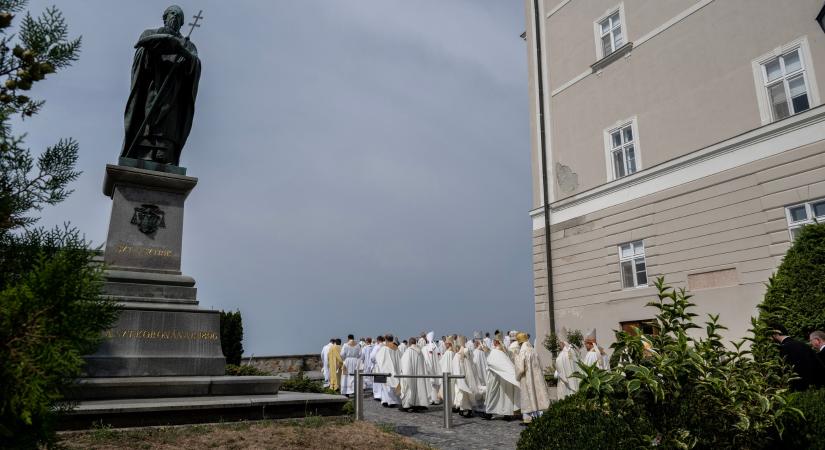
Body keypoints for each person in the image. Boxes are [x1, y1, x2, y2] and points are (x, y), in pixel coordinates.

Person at [121, 5, 201, 166]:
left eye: (178, 17)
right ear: (164, 17)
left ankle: (164, 154)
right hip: (152, 88)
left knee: (169, 125)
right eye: (172, 14)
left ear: (181, 23)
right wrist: (157, 49)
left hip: (173, 96)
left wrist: (183, 53)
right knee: (147, 119)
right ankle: (144, 153)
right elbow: (141, 55)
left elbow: (195, 66)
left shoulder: (188, 45)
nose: (174, 18)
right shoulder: (150, 34)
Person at [514, 332, 550, 425]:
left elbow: (521, 368)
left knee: (527, 398)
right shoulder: (532, 349)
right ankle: (538, 415)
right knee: (536, 395)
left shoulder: (522, 351)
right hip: (536, 377)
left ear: (520, 342)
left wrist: (515, 357)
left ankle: (528, 419)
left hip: (526, 378)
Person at [769, 326, 817, 391]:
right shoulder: (803, 344)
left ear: (776, 334)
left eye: (769, 335)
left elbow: (784, 370)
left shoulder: (785, 347)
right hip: (812, 387)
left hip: (796, 390)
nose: (769, 339)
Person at [484, 339, 519, 420]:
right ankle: (507, 413)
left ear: (496, 342)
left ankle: (489, 412)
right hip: (504, 377)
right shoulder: (504, 351)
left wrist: (487, 353)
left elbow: (490, 362)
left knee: (493, 394)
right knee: (505, 396)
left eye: (494, 341)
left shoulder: (495, 352)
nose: (492, 342)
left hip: (495, 377)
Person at [452, 336, 482, 418]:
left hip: (461, 376)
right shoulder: (468, 352)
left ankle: (464, 409)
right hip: (468, 376)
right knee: (467, 391)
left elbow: (455, 368)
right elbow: (473, 362)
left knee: (462, 392)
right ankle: (465, 409)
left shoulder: (457, 355)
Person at [400, 337, 430, 412]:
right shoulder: (420, 352)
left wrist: (403, 373)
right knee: (419, 388)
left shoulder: (408, 351)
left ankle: (407, 405)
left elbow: (405, 365)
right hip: (419, 374)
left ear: (409, 343)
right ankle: (418, 404)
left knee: (408, 389)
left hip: (410, 374)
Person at [375, 334, 402, 407]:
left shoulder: (384, 348)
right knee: (391, 385)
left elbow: (378, 358)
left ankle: (390, 401)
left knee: (387, 386)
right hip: (395, 370)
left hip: (386, 369)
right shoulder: (397, 348)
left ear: (386, 339)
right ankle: (385, 400)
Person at [421, 331, 442, 404]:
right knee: (436, 384)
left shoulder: (425, 348)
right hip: (437, 368)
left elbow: (425, 360)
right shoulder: (437, 348)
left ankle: (431, 399)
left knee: (430, 384)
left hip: (429, 368)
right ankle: (436, 399)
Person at [439, 340, 456, 404]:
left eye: (446, 343)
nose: (445, 345)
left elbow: (443, 364)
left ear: (449, 344)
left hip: (447, 371)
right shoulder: (452, 352)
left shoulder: (448, 352)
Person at [371, 336, 386, 401]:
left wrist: (374, 362)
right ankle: (383, 394)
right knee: (383, 380)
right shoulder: (386, 346)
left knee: (377, 380)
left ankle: (378, 395)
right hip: (384, 365)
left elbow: (372, 357)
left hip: (378, 365)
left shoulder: (377, 347)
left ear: (378, 340)